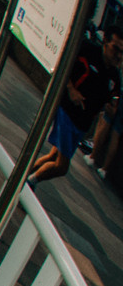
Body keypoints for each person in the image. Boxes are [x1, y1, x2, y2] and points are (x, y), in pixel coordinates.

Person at [34, 24, 123, 183]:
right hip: (67, 111)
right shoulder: (88, 50)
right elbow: (63, 64)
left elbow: (113, 100)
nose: (118, 55)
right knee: (62, 166)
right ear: (105, 42)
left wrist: (111, 107)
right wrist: (71, 89)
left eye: (122, 52)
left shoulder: (114, 76)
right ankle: (30, 182)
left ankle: (23, 177)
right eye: (115, 48)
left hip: (82, 124)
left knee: (54, 156)